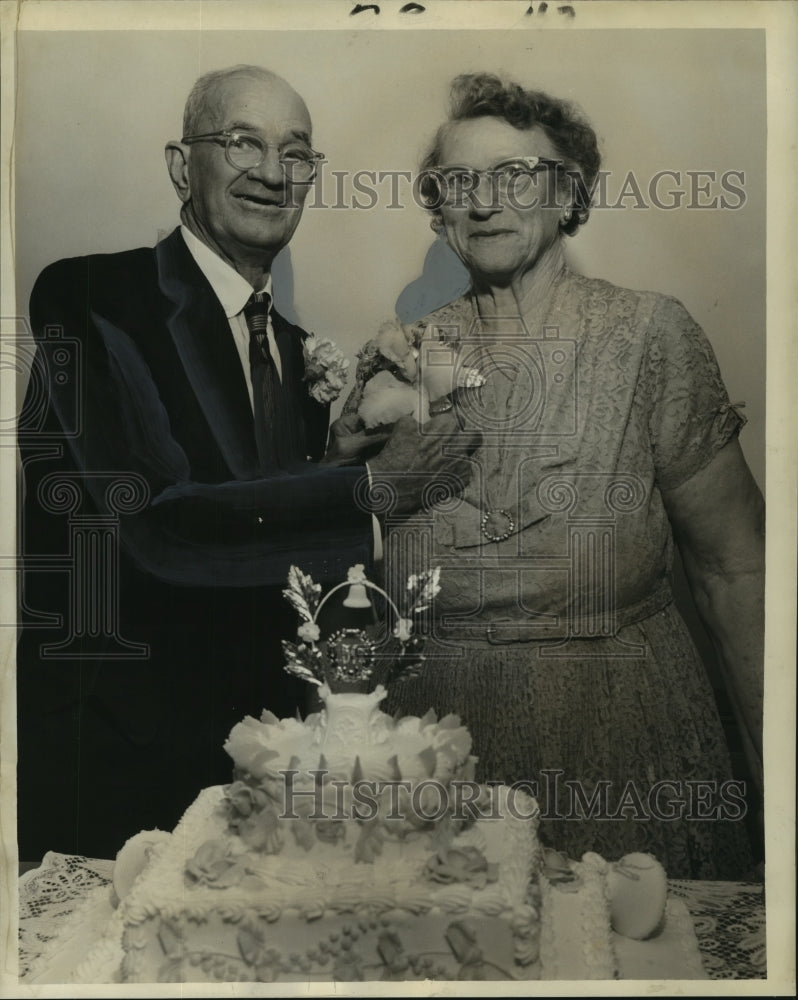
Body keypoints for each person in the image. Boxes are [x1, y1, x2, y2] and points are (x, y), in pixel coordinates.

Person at [17, 64, 477, 860]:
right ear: (179, 166)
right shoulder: (91, 299)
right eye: (242, 142)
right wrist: (370, 492)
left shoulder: (295, 351)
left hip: (258, 773)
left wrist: (330, 458)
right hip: (115, 775)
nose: (272, 172)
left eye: (296, 153)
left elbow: (257, 539)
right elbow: (157, 524)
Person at [337, 73, 764, 879]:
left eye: (515, 175)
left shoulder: (649, 336)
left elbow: (737, 570)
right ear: (439, 209)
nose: (485, 201)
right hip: (438, 755)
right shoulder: (397, 357)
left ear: (568, 193)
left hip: (623, 742)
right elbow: (333, 557)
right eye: (458, 182)